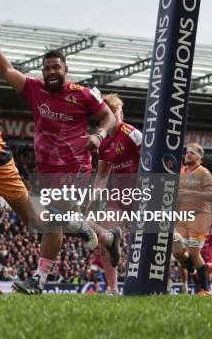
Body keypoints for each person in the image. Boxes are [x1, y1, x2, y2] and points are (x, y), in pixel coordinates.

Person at [0, 15, 119, 294]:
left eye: (56, 67)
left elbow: (110, 118)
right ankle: (101, 235)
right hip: (47, 169)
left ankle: (44, 275)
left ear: (66, 69)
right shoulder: (35, 89)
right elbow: (6, 69)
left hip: (76, 165)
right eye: (47, 68)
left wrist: (98, 135)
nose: (51, 71)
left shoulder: (83, 94)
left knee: (54, 217)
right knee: (52, 223)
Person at [88, 93, 141, 294]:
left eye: (115, 111)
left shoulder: (133, 134)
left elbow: (151, 164)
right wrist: (94, 197)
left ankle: (163, 284)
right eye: (106, 113)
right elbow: (102, 176)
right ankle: (113, 289)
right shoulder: (103, 143)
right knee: (105, 239)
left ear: (120, 112)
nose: (111, 116)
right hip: (118, 197)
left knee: (149, 242)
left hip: (140, 195)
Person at [174, 142, 212, 296]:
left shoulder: (203, 172)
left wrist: (193, 194)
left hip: (200, 216)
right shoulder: (180, 171)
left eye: (191, 153)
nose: (187, 154)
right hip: (181, 217)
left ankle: (204, 289)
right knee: (177, 252)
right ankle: (191, 266)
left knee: (194, 252)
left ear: (199, 157)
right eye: (186, 152)